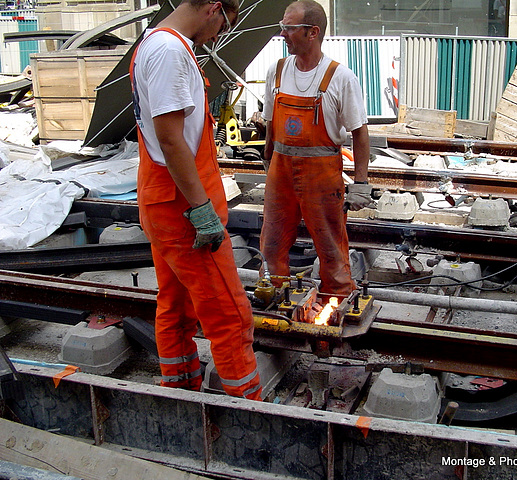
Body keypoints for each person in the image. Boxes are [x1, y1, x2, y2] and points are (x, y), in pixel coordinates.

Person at [130, 0, 261, 400]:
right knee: (229, 314)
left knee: (176, 303)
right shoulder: (170, 50)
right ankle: (251, 412)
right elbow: (171, 139)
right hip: (183, 208)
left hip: (163, 200)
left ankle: (180, 386)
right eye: (225, 24)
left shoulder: (153, 43)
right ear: (214, 8)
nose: (220, 35)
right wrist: (201, 211)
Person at [260, 0, 373, 295]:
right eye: (282, 27)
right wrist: (267, 158)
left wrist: (360, 183)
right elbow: (271, 124)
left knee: (331, 248)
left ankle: (336, 304)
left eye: (289, 28)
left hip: (322, 178)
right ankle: (274, 298)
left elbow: (360, 134)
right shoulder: (278, 71)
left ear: (312, 32)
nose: (282, 34)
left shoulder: (340, 77)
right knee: (271, 246)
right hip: (280, 174)